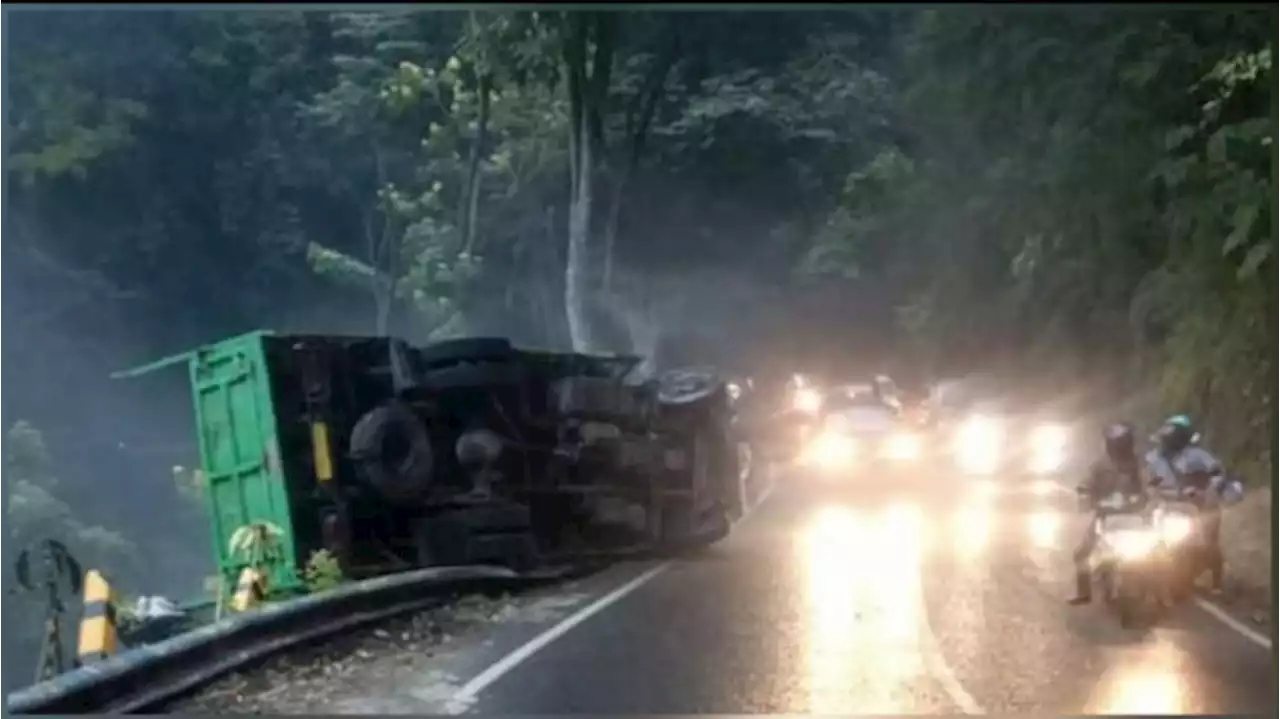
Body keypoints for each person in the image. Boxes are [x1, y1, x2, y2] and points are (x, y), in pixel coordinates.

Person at [1146, 414, 1227, 594]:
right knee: (1147, 536)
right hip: (1168, 505)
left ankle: (1217, 582)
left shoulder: (1198, 455)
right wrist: (1149, 493)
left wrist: (1206, 489)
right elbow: (1147, 479)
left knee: (1210, 543)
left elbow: (1217, 473)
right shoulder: (1153, 458)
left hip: (1199, 507)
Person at [1068, 422, 1148, 605]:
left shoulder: (1138, 465)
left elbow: (1148, 484)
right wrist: (1085, 493)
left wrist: (1148, 497)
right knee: (1081, 554)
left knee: (1158, 554)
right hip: (1105, 518)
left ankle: (1161, 590)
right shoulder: (1100, 465)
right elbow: (1086, 483)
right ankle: (1084, 592)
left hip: (1133, 519)